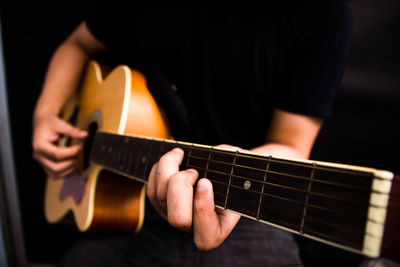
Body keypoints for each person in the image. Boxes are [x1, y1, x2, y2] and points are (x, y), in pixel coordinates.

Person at [32, 1, 353, 266]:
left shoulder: (323, 12)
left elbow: (291, 145)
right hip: (126, 212)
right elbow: (77, 45)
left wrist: (233, 179)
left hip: (245, 207)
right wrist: (45, 115)